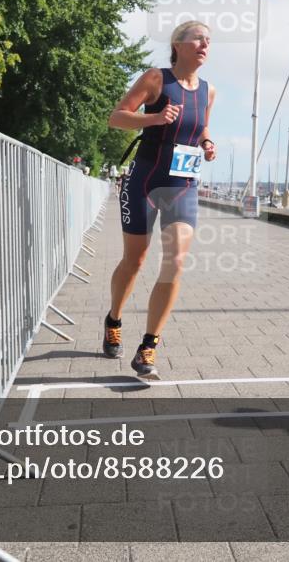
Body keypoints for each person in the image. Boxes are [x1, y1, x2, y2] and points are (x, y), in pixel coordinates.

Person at [103, 20, 217, 378]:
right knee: (134, 261)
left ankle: (149, 346)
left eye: (208, 41)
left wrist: (207, 143)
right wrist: (153, 118)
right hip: (144, 181)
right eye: (198, 38)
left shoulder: (209, 91)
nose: (205, 44)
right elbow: (117, 118)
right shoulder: (156, 78)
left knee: (176, 260)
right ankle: (114, 318)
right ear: (178, 44)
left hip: (182, 184)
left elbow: (200, 127)